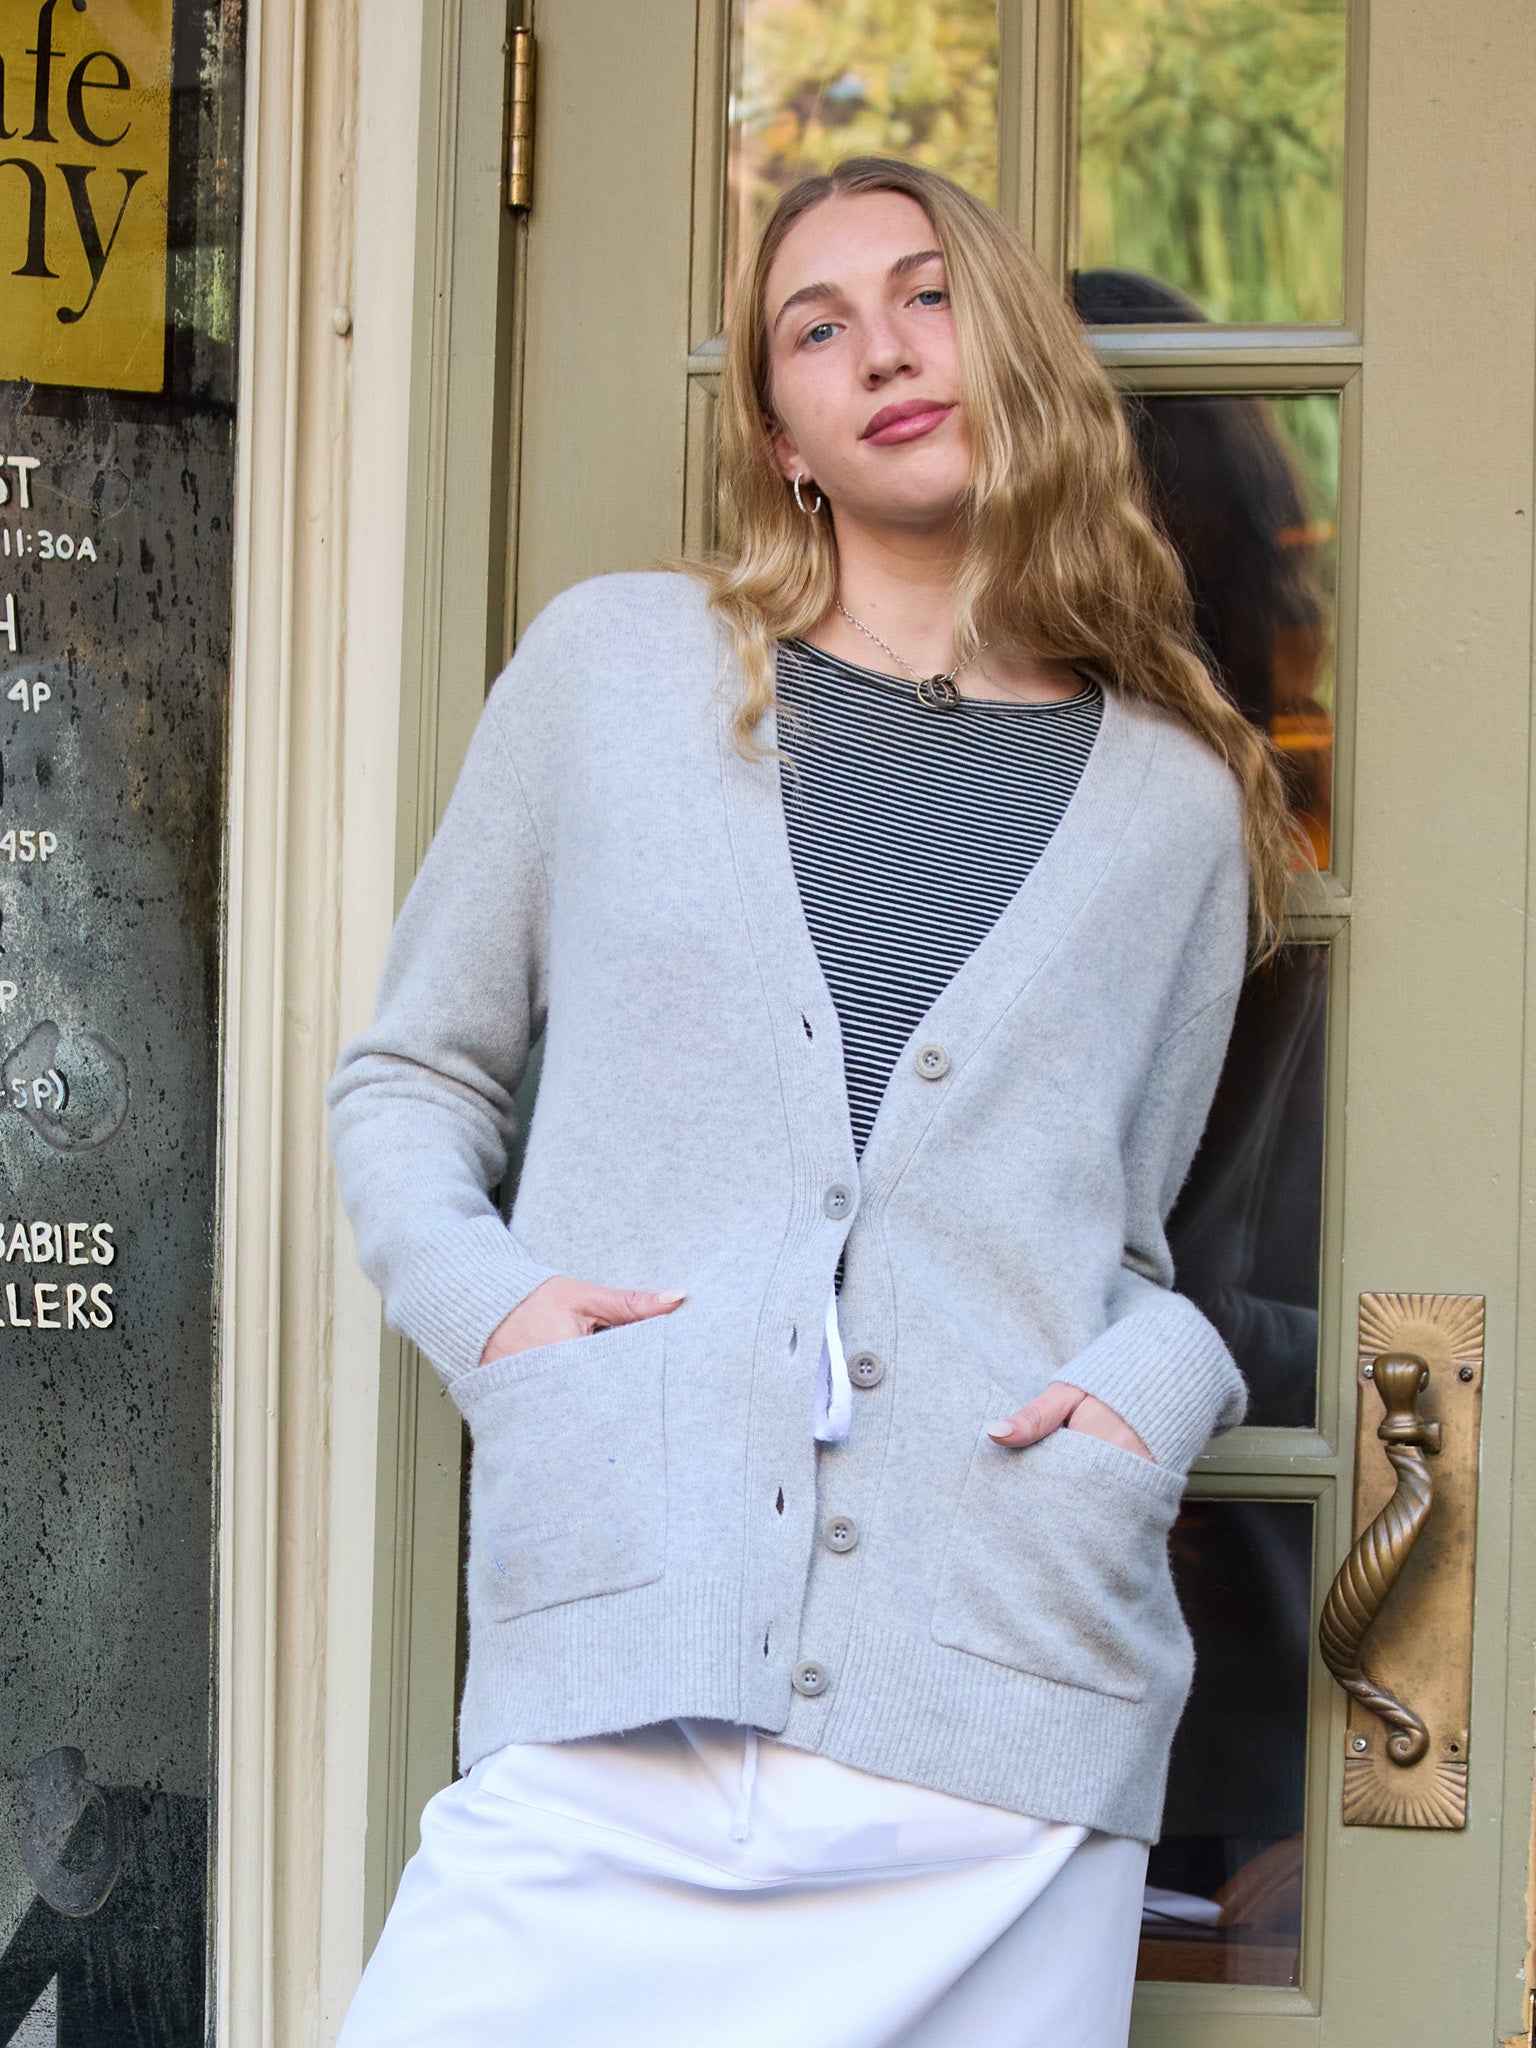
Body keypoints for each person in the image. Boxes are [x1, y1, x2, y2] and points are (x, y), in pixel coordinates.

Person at [326, 156, 1292, 2048]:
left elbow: (1129, 1235)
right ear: (782, 435)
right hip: (621, 1673)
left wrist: (1159, 1386)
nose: (886, 351)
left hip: (1004, 1712)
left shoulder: (1172, 806)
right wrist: (497, 1316)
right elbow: (414, 1076)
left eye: (928, 296)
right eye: (818, 327)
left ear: (1012, 349)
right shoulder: (613, 672)